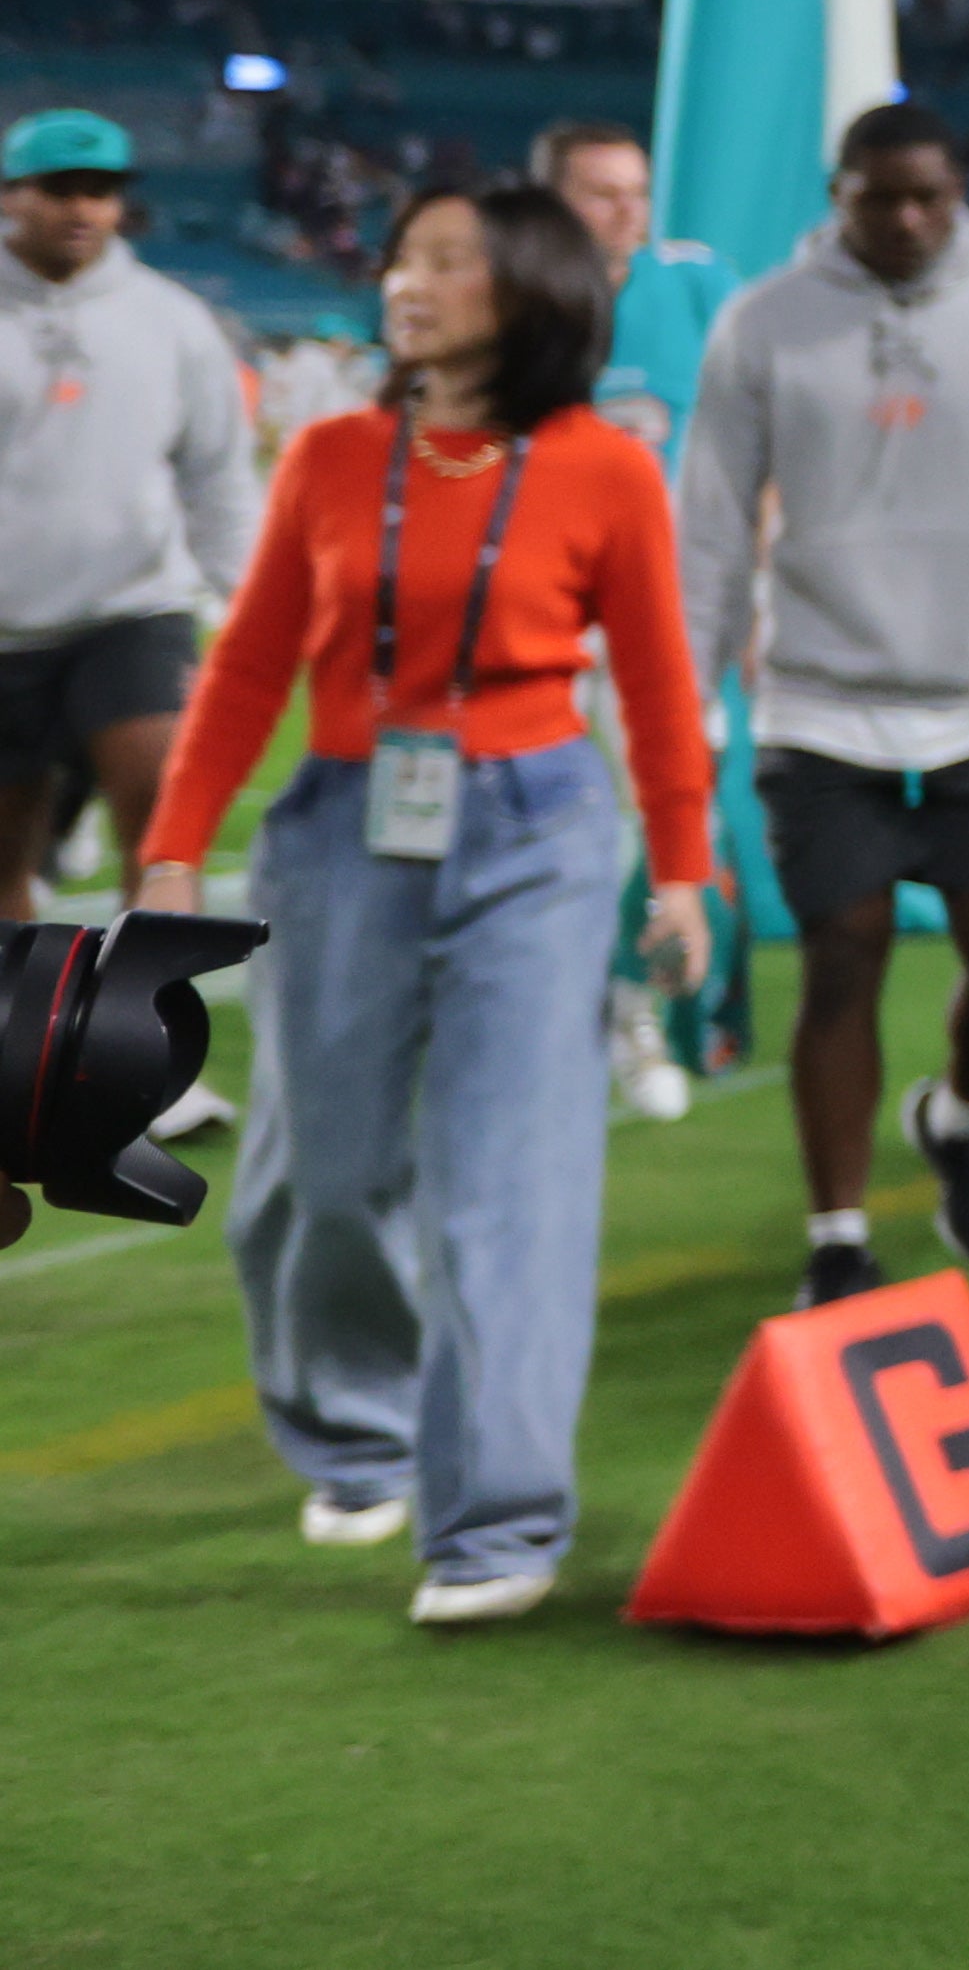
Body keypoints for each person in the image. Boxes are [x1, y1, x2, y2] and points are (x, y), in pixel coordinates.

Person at [134, 180, 713, 1628]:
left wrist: (687, 866)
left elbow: (655, 684)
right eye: (406, 253)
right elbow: (253, 662)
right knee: (317, 1177)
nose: (408, 278)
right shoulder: (331, 453)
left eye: (449, 259)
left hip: (536, 831)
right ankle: (355, 1429)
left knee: (505, 1187)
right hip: (338, 829)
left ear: (528, 292)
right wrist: (173, 846)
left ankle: (499, 1519)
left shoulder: (607, 468)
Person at [683, 101, 969, 1308]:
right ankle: (837, 1238)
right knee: (843, 957)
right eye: (876, 197)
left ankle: (957, 1114)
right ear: (836, 195)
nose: (903, 219)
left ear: (959, 195)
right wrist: (687, 698)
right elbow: (710, 526)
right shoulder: (764, 324)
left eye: (927, 198)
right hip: (818, 703)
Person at [0, 107, 260, 956]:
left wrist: (241, 598)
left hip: (131, 609)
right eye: (61, 190)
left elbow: (217, 471)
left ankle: (147, 1056)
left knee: (158, 815)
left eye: (103, 192)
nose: (84, 208)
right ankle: (18, 1058)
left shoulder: (175, 320)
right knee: (7, 860)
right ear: (13, 195)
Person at [533, 113, 749, 1115]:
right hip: (541, 607)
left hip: (673, 602)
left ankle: (628, 1001)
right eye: (599, 192)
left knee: (674, 804)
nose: (625, 211)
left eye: (635, 190)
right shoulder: (513, 298)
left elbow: (757, 434)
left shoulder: (699, 286)